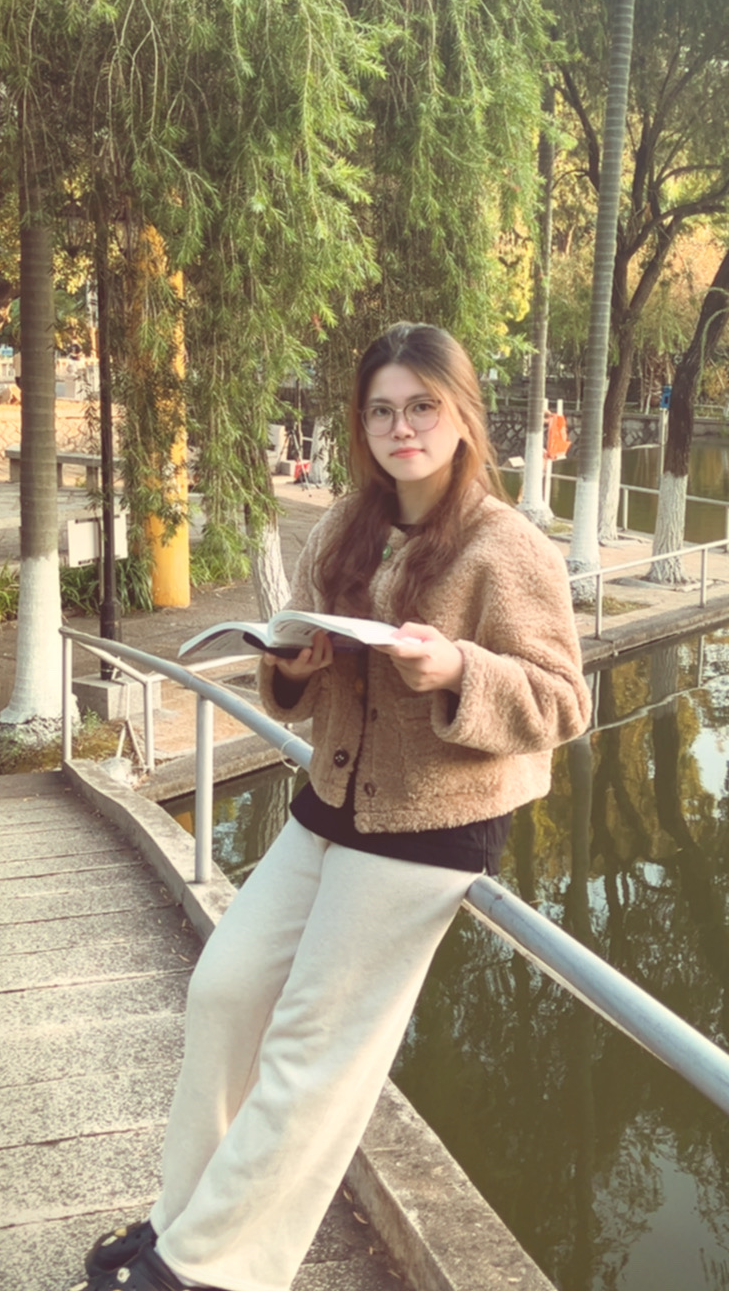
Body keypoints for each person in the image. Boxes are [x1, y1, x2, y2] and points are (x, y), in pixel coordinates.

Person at [74, 322, 591, 1291]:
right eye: (382, 410)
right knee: (224, 992)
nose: (403, 428)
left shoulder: (506, 545)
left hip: (433, 826)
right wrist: (291, 668)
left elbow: (564, 702)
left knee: (310, 1049)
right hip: (333, 803)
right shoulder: (345, 524)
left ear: (462, 414)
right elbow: (305, 691)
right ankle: (181, 1219)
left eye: (422, 407)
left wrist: (458, 669)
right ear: (361, 423)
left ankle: (201, 1271)